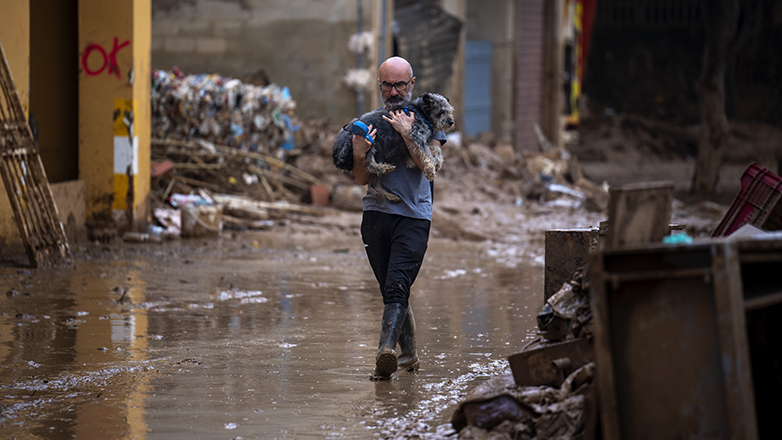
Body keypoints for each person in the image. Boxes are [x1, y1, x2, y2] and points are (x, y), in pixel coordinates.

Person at [350, 57, 447, 380]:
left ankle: (384, 353)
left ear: (412, 84)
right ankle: (408, 357)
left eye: (400, 85)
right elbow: (362, 179)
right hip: (376, 214)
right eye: (387, 85)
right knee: (392, 290)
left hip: (414, 217)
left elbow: (431, 167)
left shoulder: (428, 119)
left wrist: (408, 135)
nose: (393, 92)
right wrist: (359, 153)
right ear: (379, 86)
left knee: (396, 285)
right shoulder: (370, 122)